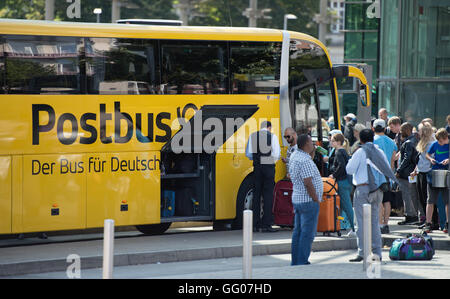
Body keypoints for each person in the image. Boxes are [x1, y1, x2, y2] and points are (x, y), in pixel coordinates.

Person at [346, 129, 398, 262]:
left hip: (363, 189)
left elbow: (349, 169)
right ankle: (377, 253)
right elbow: (387, 169)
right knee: (375, 221)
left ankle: (363, 252)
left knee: (361, 222)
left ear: (361, 140)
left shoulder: (360, 152)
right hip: (378, 190)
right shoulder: (379, 151)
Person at [289, 134, 323, 266]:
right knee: (307, 233)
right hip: (308, 201)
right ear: (306, 144)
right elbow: (308, 182)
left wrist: (313, 151)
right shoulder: (305, 161)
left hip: (298, 199)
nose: (313, 144)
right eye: (311, 143)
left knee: (298, 232)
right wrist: (315, 198)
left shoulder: (296, 155)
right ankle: (302, 261)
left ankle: (296, 261)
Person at [245, 121, 281, 232]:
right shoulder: (273, 137)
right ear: (269, 127)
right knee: (268, 195)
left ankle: (255, 224)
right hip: (269, 168)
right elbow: (276, 154)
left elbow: (249, 154)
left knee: (256, 195)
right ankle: (266, 224)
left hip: (257, 168)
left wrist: (258, 159)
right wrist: (268, 161)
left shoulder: (253, 136)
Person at [410, 122, 440, 230]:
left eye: (419, 129)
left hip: (428, 172)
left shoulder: (432, 142)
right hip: (421, 172)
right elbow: (420, 159)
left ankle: (433, 222)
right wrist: (415, 170)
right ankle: (429, 220)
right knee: (422, 198)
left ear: (424, 131)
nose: (418, 132)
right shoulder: (422, 142)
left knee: (429, 199)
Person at [372, 119, 398, 234]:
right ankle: (386, 223)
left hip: (376, 174)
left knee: (379, 200)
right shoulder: (391, 141)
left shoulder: (372, 141)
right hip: (387, 174)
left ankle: (379, 224)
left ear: (373, 128)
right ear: (384, 129)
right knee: (387, 200)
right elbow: (393, 160)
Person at [328, 133, 355, 237]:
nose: (331, 142)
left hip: (342, 182)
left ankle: (353, 228)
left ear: (338, 142)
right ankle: (340, 226)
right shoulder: (344, 151)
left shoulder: (339, 152)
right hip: (347, 181)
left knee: (347, 206)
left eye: (333, 140)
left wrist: (333, 175)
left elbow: (341, 166)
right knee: (344, 206)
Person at [423, 128, 449, 233]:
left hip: (447, 174)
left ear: (446, 138)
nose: (440, 143)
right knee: (430, 200)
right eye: (438, 141)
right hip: (435, 172)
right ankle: (428, 223)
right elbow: (427, 154)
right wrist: (431, 159)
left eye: (442, 141)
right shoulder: (435, 144)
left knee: (448, 201)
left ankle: (447, 224)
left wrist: (448, 160)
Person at [396, 122, 421, 225]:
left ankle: (410, 216)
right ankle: (413, 215)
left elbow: (406, 158)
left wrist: (399, 170)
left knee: (407, 195)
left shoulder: (408, 142)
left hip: (406, 173)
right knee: (412, 195)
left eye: (402, 130)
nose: (400, 132)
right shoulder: (415, 140)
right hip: (411, 172)